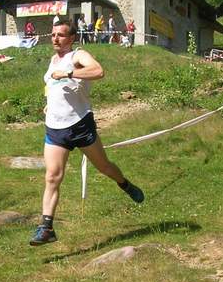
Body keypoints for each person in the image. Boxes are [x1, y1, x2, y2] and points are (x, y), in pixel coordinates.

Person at [30, 21, 145, 246]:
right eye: (53, 35)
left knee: (104, 167)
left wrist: (69, 73)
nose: (55, 39)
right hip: (55, 127)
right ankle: (46, 228)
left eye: (61, 35)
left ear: (72, 38)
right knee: (52, 176)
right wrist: (49, 102)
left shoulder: (78, 55)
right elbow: (51, 85)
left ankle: (124, 184)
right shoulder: (53, 60)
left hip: (80, 125)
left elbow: (99, 71)